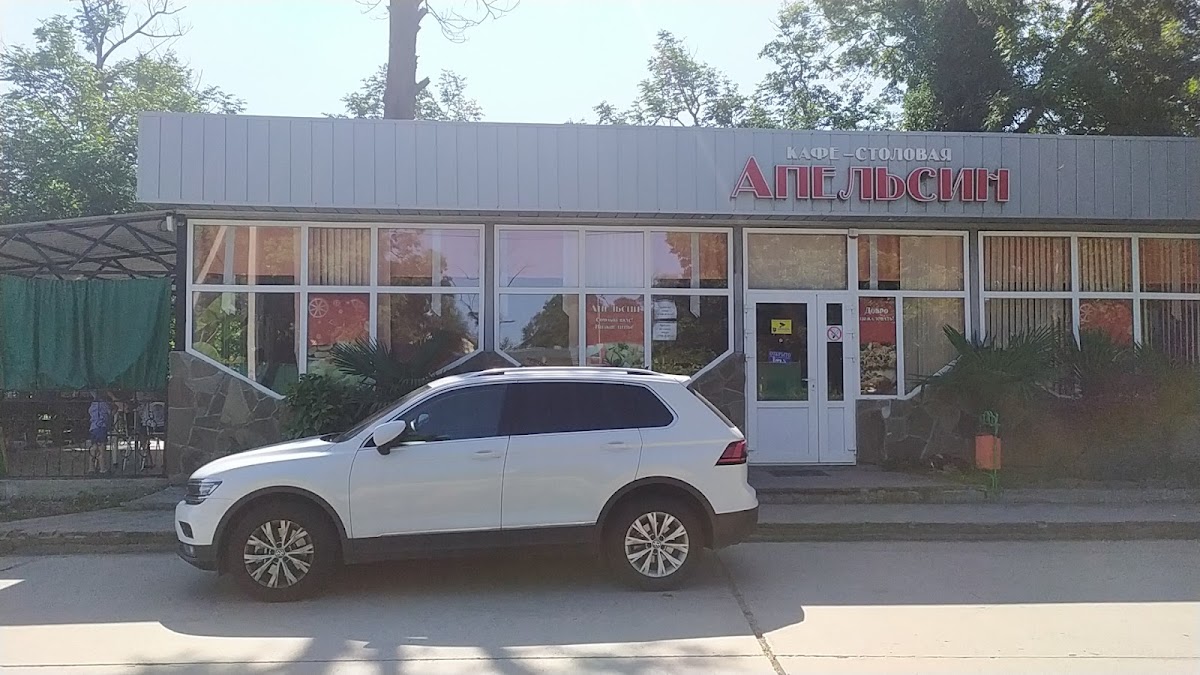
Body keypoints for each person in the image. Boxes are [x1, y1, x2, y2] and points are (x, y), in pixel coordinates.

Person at [88, 392, 112, 475]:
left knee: (94, 448)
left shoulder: (93, 405)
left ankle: (91, 468)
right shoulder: (103, 404)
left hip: (93, 427)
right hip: (101, 427)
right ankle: (103, 469)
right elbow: (109, 412)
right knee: (102, 448)